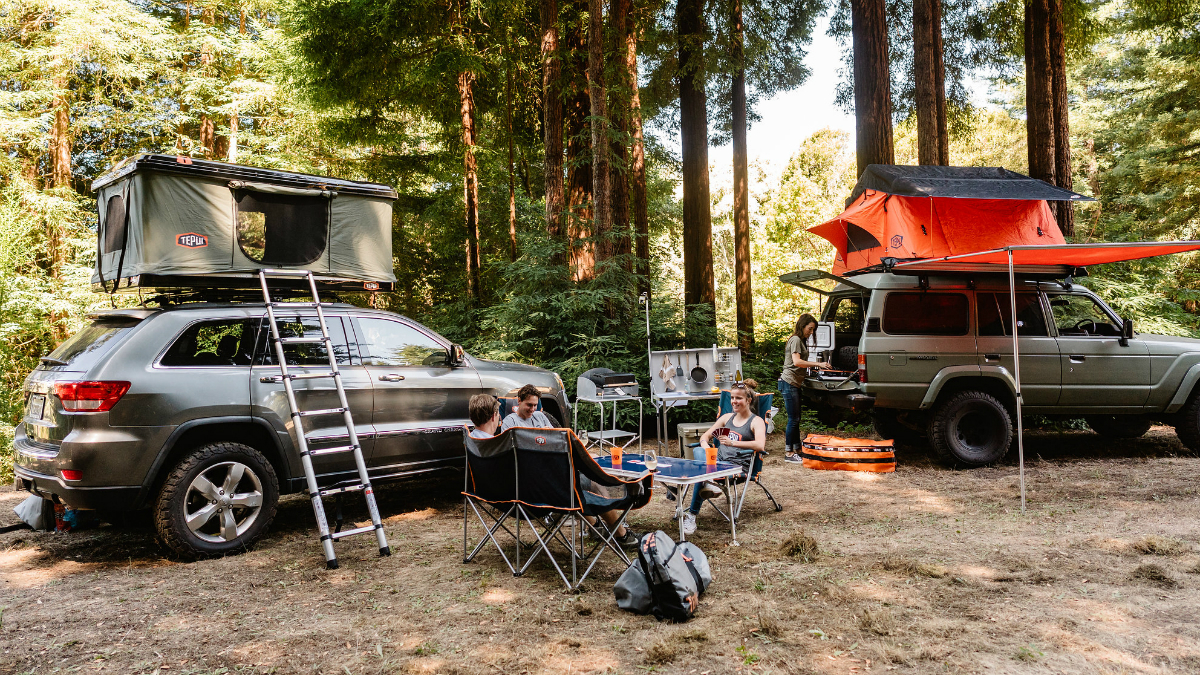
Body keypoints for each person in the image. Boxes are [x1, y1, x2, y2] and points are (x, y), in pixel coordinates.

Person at [501, 383, 639, 546]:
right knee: (577, 490)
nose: (532, 409)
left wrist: (549, 436)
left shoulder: (540, 416)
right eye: (528, 405)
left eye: (535, 405)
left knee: (591, 472)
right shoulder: (510, 423)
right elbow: (514, 455)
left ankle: (598, 527)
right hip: (538, 479)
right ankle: (621, 534)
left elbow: (558, 442)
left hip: (554, 469)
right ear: (519, 401)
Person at [681, 380, 767, 536]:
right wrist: (705, 446)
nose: (734, 401)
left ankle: (692, 514)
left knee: (701, 471)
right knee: (701, 453)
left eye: (739, 398)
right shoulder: (726, 418)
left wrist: (732, 442)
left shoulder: (756, 421)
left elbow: (760, 445)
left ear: (748, 400)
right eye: (732, 398)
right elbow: (705, 436)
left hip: (734, 467)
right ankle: (710, 480)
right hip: (715, 462)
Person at [780, 314, 832, 463]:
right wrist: (818, 364)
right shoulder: (796, 339)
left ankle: (797, 449)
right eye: (810, 329)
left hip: (794, 383)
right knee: (793, 419)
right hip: (789, 382)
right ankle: (788, 453)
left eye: (813, 330)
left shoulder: (800, 341)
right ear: (802, 326)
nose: (811, 332)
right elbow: (797, 362)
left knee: (797, 418)